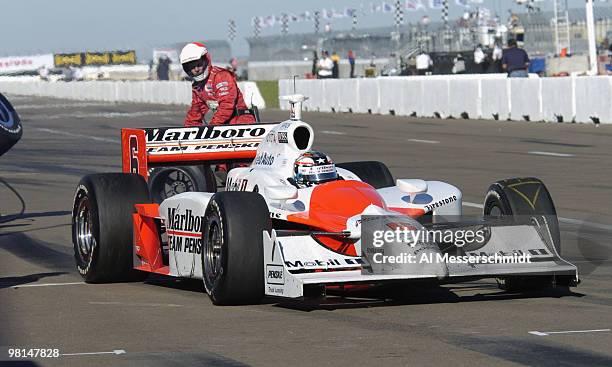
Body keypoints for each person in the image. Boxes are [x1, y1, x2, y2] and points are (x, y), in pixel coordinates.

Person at [180, 42, 256, 126]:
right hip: (223, 125)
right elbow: (196, 112)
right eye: (191, 66)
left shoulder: (221, 76)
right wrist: (188, 129)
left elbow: (226, 105)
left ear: (206, 60)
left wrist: (212, 126)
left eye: (198, 64)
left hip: (241, 123)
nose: (196, 69)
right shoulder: (197, 86)